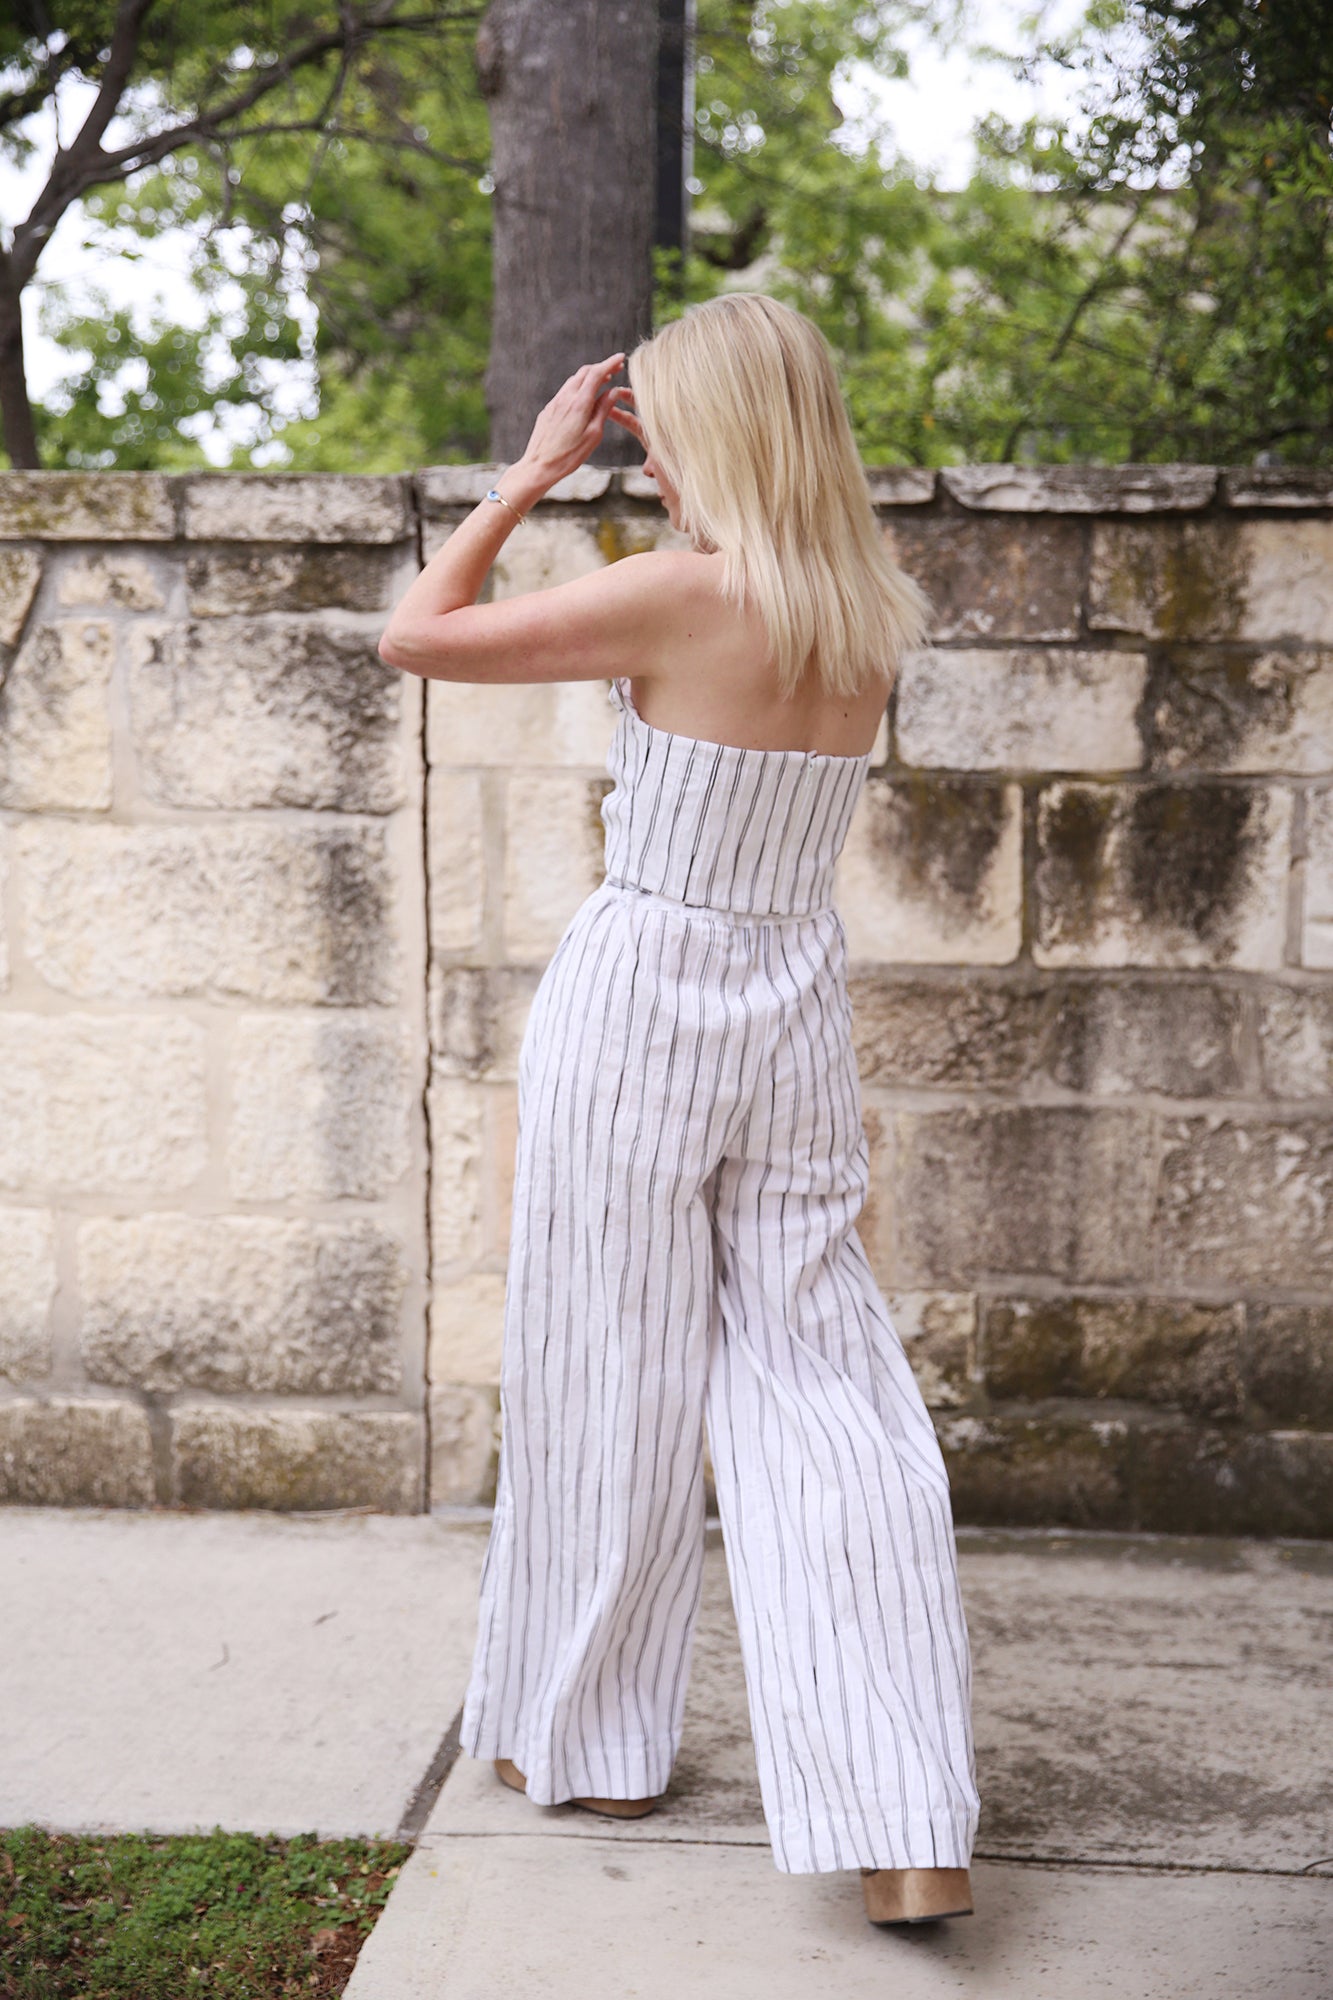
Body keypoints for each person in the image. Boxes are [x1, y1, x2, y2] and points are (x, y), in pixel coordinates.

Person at [378, 292, 980, 1929]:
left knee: (609, 1362)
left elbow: (415, 636)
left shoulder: (669, 594)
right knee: (822, 1373)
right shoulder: (864, 613)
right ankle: (908, 1819)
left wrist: (527, 473)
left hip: (644, 996)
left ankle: (595, 1743)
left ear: (693, 431)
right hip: (792, 1005)